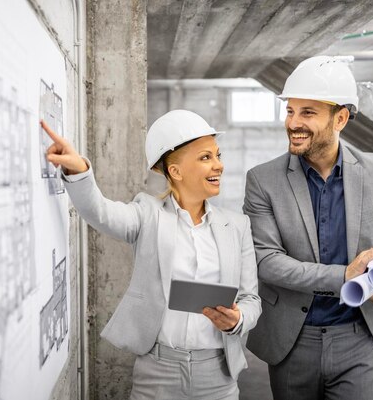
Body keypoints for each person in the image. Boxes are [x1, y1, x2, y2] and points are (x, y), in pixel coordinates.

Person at [42, 109, 261, 399]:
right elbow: (101, 213)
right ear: (176, 171)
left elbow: (251, 299)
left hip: (218, 375)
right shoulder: (148, 215)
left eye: (217, 155)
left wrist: (237, 320)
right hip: (158, 372)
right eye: (206, 157)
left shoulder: (236, 225)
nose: (218, 166)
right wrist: (78, 171)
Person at [243, 56, 373, 400]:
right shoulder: (263, 180)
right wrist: (345, 275)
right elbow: (266, 260)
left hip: (361, 338)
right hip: (292, 343)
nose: (293, 122)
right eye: (290, 111)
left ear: (340, 118)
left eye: (307, 113)